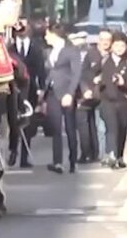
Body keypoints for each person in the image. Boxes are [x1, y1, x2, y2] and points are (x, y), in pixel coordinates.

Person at [43, 23, 82, 174]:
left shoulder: (71, 50)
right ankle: (57, 161)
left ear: (55, 34)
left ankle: (73, 160)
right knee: (56, 128)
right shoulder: (48, 51)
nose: (45, 37)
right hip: (52, 92)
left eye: (47, 34)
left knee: (70, 127)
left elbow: (76, 73)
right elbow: (48, 72)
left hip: (66, 92)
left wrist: (70, 93)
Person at [98, 32, 127, 169]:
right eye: (117, 45)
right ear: (112, 46)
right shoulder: (104, 61)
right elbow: (90, 73)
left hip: (124, 102)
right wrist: (96, 82)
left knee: (122, 129)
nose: (120, 48)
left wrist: (124, 83)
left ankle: (119, 156)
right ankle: (112, 155)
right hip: (107, 100)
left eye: (122, 45)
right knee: (112, 128)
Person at [8, 20, 45, 167]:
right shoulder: (10, 47)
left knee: (28, 123)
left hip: (30, 89)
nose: (22, 32)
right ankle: (13, 151)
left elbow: (41, 68)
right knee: (14, 122)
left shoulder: (36, 47)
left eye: (24, 29)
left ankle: (24, 156)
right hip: (14, 89)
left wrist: (41, 88)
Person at [83, 29, 112, 164]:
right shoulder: (91, 54)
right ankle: (100, 154)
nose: (105, 42)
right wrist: (89, 85)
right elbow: (84, 73)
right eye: (103, 40)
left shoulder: (113, 55)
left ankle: (107, 153)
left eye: (108, 40)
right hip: (96, 95)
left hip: (110, 94)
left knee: (107, 125)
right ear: (98, 41)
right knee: (99, 125)